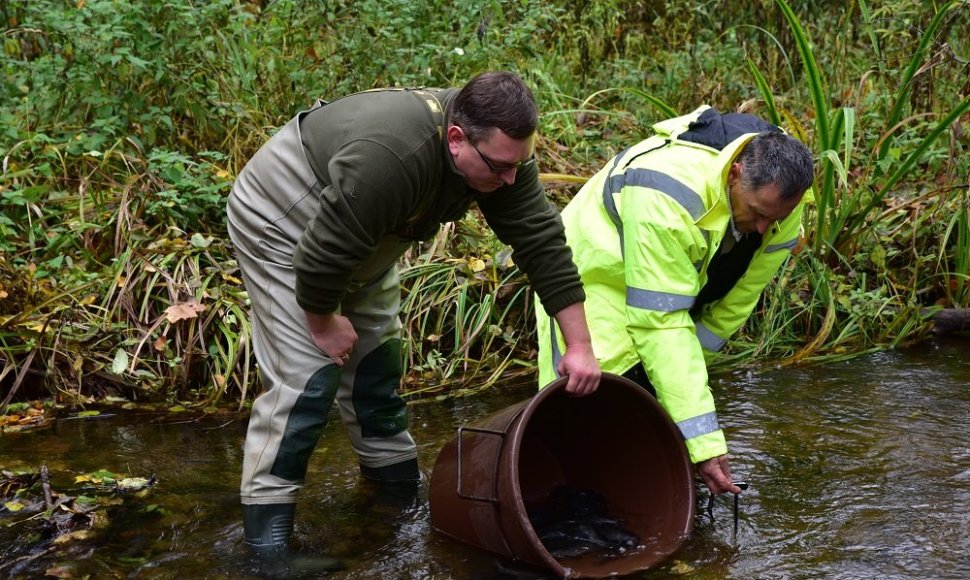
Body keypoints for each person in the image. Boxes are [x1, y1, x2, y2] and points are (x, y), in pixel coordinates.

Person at [227, 71, 601, 575]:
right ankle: (267, 547)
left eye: (519, 165)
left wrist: (579, 345)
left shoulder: (500, 155)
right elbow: (320, 258)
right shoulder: (390, 159)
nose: (510, 179)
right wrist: (323, 322)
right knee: (308, 378)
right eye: (500, 168)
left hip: (364, 230)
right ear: (455, 139)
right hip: (285, 213)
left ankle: (392, 491)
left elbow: (541, 243)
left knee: (377, 363)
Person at [535, 105, 814, 497]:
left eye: (776, 218)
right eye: (758, 214)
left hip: (678, 278)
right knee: (582, 404)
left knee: (660, 401)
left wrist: (682, 398)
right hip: (597, 276)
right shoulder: (667, 192)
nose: (766, 228)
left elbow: (735, 301)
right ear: (735, 174)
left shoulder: (781, 199)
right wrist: (705, 443)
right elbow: (660, 324)